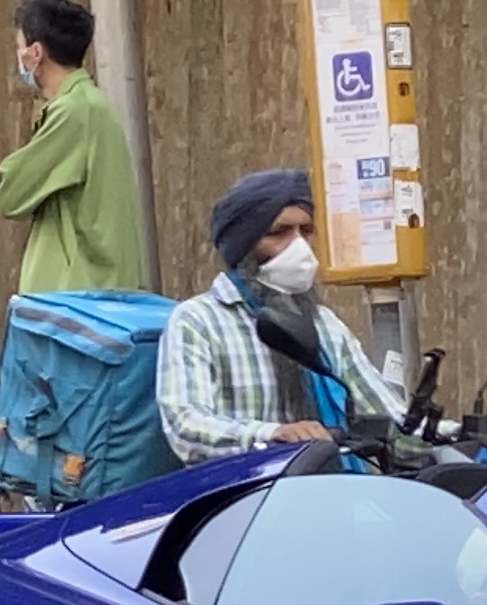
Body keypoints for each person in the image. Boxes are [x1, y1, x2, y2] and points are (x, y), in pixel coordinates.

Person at [158, 169, 392, 463]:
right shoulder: (198, 321)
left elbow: (381, 409)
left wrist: (449, 436)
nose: (300, 247)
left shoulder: (325, 324)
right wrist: (272, 434)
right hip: (246, 498)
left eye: (306, 232)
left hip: (335, 492)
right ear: (243, 245)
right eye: (279, 233)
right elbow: (185, 424)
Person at [0, 0, 147, 295]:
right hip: (96, 291)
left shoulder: (73, 112)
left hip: (75, 298)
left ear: (35, 53)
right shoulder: (91, 105)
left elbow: (8, 192)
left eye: (20, 47)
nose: (19, 56)